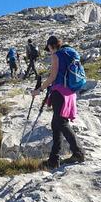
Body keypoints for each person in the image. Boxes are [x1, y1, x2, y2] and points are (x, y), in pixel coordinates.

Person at [31, 35, 85, 169]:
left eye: (48, 49)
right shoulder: (70, 53)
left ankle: (79, 152)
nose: (49, 52)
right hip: (70, 93)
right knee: (56, 125)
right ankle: (54, 159)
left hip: (59, 93)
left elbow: (53, 76)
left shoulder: (56, 55)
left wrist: (39, 89)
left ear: (51, 46)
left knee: (61, 123)